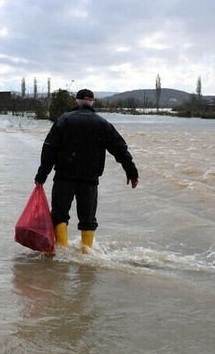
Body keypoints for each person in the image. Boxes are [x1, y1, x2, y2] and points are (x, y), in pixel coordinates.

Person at [34, 88, 139, 253]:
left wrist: (41, 175)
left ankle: (61, 253)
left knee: (59, 215)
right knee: (88, 219)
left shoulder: (64, 120)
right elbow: (120, 149)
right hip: (89, 179)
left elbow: (49, 149)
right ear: (92, 103)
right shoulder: (102, 123)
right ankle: (86, 255)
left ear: (76, 102)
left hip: (64, 177)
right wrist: (131, 172)